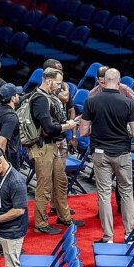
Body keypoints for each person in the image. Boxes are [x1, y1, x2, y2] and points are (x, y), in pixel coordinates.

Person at [80, 68, 134, 243]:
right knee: (126, 193)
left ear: (103, 81)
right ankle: (129, 235)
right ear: (119, 81)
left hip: (100, 153)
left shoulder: (91, 101)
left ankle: (108, 237)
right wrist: (126, 129)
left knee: (104, 195)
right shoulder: (127, 103)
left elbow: (83, 132)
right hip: (122, 152)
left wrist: (98, 128)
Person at [28, 68, 84, 235]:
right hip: (43, 147)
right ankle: (40, 223)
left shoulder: (50, 97)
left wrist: (69, 122)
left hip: (55, 146)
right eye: (58, 83)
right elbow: (48, 127)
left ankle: (64, 217)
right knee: (44, 187)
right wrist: (69, 125)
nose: (59, 87)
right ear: (49, 81)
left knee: (61, 182)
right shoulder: (39, 99)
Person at [89, 66, 134, 212]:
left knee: (122, 179)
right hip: (102, 141)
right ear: (98, 81)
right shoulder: (93, 95)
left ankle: (122, 206)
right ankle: (104, 209)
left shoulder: (124, 89)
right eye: (102, 83)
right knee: (105, 182)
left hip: (122, 136)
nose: (105, 85)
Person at [42, 59, 77, 216]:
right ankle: (44, 212)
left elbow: (71, 109)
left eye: (62, 71)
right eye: (57, 71)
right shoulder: (41, 93)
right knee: (46, 178)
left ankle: (58, 207)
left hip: (61, 138)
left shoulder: (65, 87)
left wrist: (74, 135)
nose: (61, 75)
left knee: (60, 176)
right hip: (46, 141)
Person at [0, 83, 22, 171]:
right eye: (17, 94)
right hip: (8, 161)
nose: (19, 96)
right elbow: (1, 142)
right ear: (12, 98)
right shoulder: (11, 117)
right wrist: (2, 166)